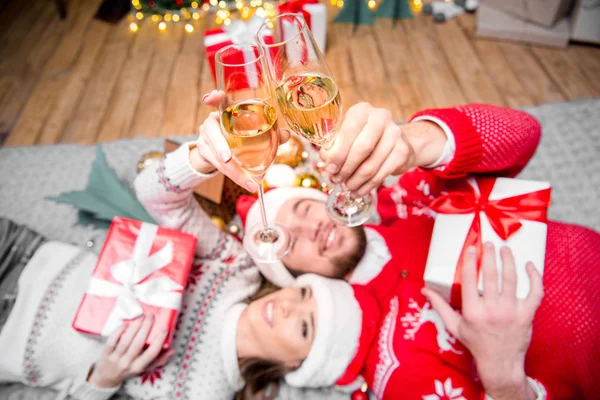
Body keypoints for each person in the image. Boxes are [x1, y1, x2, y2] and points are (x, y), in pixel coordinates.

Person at [199, 92, 600, 399]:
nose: (311, 228)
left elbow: (526, 134)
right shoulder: (392, 366)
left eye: (304, 208)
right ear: (298, 277)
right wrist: (505, 378)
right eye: (290, 242)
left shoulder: (405, 200)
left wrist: (418, 141)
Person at [0, 140, 373, 400]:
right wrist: (199, 158)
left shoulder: (202, 394)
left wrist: (104, 378)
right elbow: (154, 192)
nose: (290, 305)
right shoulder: (236, 268)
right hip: (23, 252)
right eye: (305, 292)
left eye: (305, 327)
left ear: (297, 364)